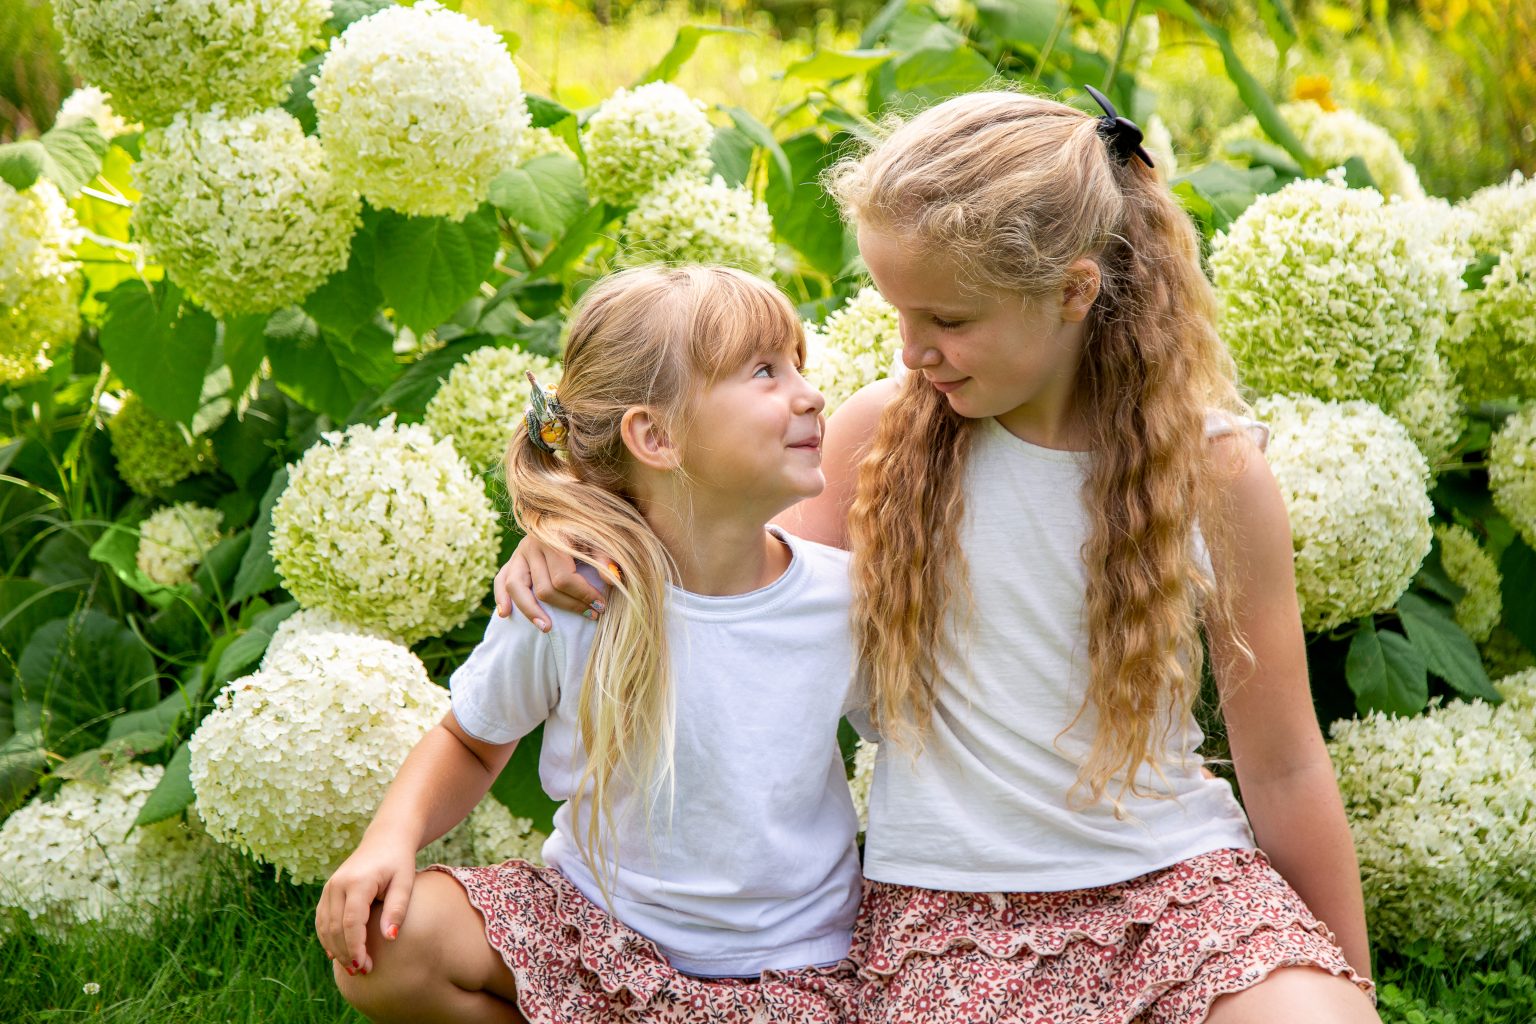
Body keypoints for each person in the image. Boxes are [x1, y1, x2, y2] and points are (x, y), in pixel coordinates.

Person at [495, 90, 1381, 1023]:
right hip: (948, 913)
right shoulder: (876, 438)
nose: (914, 351)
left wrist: (1346, 980)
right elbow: (729, 603)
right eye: (898, 315)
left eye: (948, 320)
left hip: (1174, 886)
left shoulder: (1213, 467)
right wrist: (576, 529)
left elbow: (1283, 766)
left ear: (1075, 291)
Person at [316, 265, 865, 1024]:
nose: (809, 393)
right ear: (655, 436)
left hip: (794, 967)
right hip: (597, 938)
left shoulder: (845, 599)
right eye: (765, 371)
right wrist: (387, 841)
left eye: (799, 364)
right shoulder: (571, 600)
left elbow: (923, 747)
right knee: (388, 947)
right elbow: (473, 741)